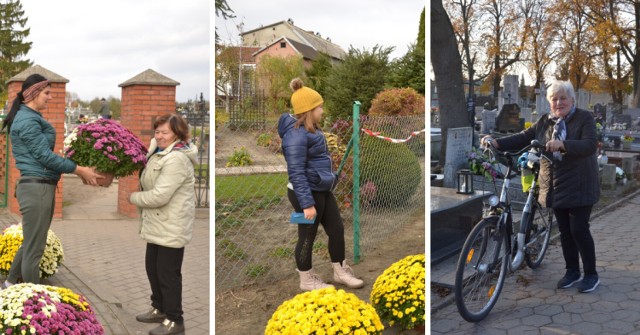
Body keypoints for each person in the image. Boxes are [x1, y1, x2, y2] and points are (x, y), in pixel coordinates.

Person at [482, 80, 600, 293]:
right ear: (549, 102)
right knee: (564, 231)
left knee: (579, 229)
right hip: (555, 184)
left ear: (571, 100)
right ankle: (572, 271)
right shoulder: (545, 121)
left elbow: (590, 145)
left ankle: (591, 274)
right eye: (554, 99)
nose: (559, 102)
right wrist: (497, 142)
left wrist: (564, 144)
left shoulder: (584, 118)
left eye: (563, 98)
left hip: (580, 183)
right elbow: (523, 137)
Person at [1, 74, 103, 288]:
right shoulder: (27, 120)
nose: (50, 98)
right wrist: (79, 170)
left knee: (31, 243)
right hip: (37, 190)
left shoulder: (28, 117)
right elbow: (45, 157)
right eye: (47, 93)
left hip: (39, 187)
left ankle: (10, 285)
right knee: (34, 250)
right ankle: (35, 300)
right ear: (34, 93)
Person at [277, 78, 364, 291]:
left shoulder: (310, 129)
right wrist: (306, 204)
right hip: (305, 193)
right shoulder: (296, 134)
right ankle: (306, 280)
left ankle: (340, 271)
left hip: (321, 189)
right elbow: (296, 172)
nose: (322, 111)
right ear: (309, 110)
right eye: (320, 107)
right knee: (307, 236)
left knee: (336, 229)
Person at [129, 113, 197, 335]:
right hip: (158, 224)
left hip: (171, 225)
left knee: (168, 275)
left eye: (164, 132)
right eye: (157, 131)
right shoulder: (159, 152)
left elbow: (159, 196)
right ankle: (159, 308)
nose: (159, 136)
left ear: (177, 133)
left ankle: (175, 320)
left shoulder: (176, 159)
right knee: (153, 269)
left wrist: (133, 198)